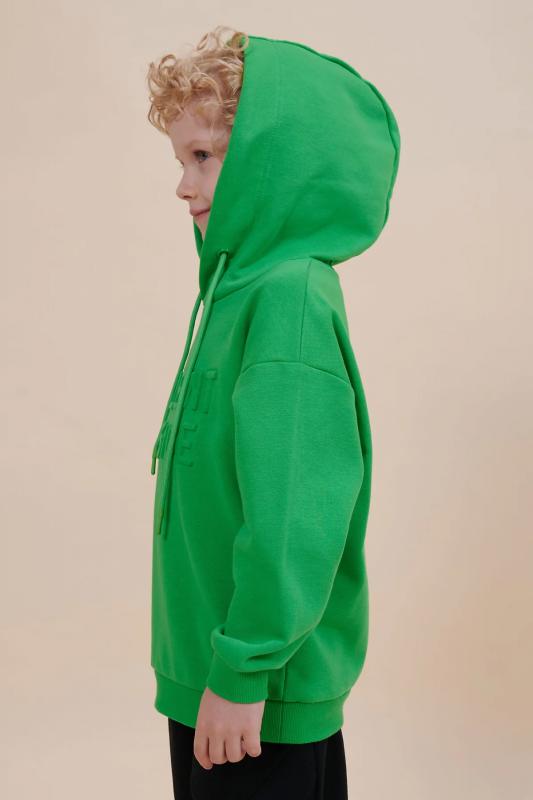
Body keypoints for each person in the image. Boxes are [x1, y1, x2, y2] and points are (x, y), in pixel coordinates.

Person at [146, 25, 401, 799]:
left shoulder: (287, 300)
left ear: (274, 159)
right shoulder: (236, 294)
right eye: (180, 160)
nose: (184, 186)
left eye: (204, 156)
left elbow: (294, 512)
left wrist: (243, 668)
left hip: (256, 698)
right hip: (214, 676)